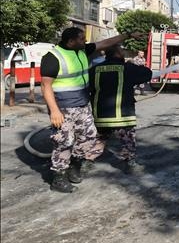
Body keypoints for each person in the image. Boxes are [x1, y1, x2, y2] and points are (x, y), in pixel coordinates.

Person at [40, 27, 142, 193]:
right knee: (64, 141)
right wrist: (54, 111)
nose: (85, 42)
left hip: (83, 105)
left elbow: (106, 43)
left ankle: (75, 164)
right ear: (71, 41)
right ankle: (59, 176)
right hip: (63, 107)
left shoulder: (82, 51)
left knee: (89, 136)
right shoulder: (53, 57)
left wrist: (129, 34)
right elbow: (45, 86)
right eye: (81, 39)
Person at [88, 44, 152, 174]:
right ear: (118, 54)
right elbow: (147, 74)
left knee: (99, 139)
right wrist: (133, 65)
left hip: (101, 115)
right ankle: (131, 165)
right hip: (123, 116)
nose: (123, 53)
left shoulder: (94, 69)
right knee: (128, 140)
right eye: (122, 51)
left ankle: (86, 162)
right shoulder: (127, 68)